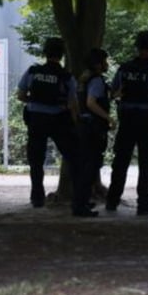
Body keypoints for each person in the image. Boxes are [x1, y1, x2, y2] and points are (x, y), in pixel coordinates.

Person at [17, 37, 95, 217]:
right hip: (59, 120)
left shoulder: (33, 71)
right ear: (61, 55)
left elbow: (21, 95)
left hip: (36, 120)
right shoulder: (66, 77)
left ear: (45, 53)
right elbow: (73, 103)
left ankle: (37, 198)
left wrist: (35, 101)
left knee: (36, 160)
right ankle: (79, 201)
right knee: (75, 159)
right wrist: (76, 123)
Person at [105, 30, 148, 216]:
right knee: (147, 165)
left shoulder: (124, 69)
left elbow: (112, 93)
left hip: (126, 119)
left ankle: (112, 201)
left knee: (120, 162)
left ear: (137, 46)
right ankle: (143, 205)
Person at [77, 48, 115, 207]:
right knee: (91, 164)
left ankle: (83, 200)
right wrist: (108, 118)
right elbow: (91, 103)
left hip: (84, 126)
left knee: (87, 164)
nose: (106, 64)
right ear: (98, 64)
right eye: (104, 61)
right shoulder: (97, 81)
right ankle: (82, 202)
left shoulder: (86, 79)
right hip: (93, 127)